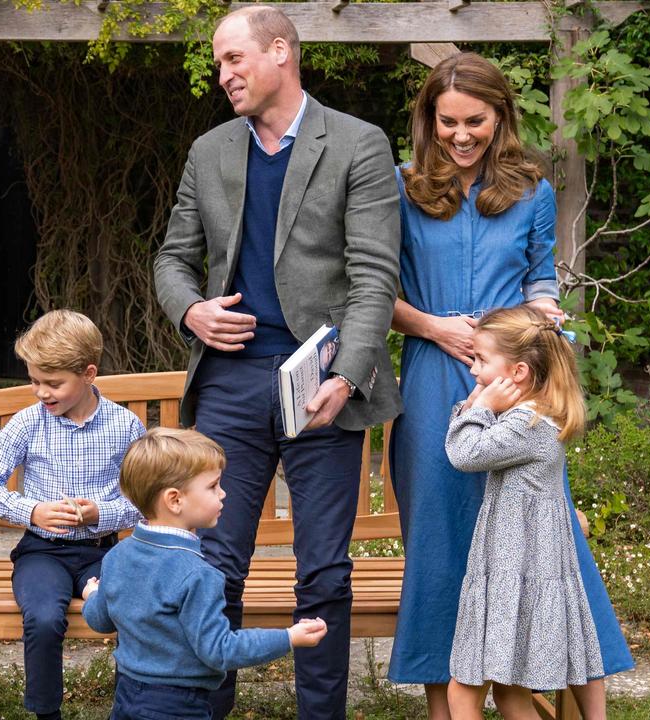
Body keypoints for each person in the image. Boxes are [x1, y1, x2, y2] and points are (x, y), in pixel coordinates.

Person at [153, 7, 401, 718]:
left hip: (324, 384)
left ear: (280, 53)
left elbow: (374, 278)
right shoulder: (210, 153)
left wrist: (347, 375)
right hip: (229, 385)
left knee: (323, 571)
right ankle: (207, 707)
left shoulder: (357, 144)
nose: (223, 75)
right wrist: (190, 311)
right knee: (215, 567)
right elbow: (172, 259)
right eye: (220, 63)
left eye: (234, 59)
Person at [386, 52, 632, 718]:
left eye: (476, 122)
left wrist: (544, 313)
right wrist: (436, 328)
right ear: (427, 119)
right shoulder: (400, 187)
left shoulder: (532, 191)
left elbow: (541, 279)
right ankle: (450, 705)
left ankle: (544, 686)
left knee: (542, 536)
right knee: (441, 543)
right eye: (448, 123)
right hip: (437, 382)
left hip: (517, 383)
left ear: (500, 118)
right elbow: (375, 292)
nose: (461, 136)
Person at [0, 309, 145, 720]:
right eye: (34, 381)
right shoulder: (28, 423)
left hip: (105, 554)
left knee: (133, 611)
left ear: (89, 374)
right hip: (42, 553)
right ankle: (47, 714)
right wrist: (33, 511)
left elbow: (147, 500)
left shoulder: (125, 426)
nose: (41, 392)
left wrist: (102, 513)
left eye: (53, 383)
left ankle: (131, 710)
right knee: (44, 619)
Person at [81, 427, 328, 720]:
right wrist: (289, 637)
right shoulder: (197, 574)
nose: (223, 493)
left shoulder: (118, 556)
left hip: (126, 695)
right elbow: (220, 651)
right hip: (178, 705)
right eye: (213, 486)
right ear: (175, 500)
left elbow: (100, 619)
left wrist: (93, 594)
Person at [444, 305, 610, 720]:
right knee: (510, 696)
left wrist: (476, 405)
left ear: (517, 373)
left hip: (510, 573)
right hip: (515, 570)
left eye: (481, 361)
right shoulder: (537, 416)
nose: (474, 371)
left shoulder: (526, 424)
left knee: (462, 692)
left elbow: (463, 454)